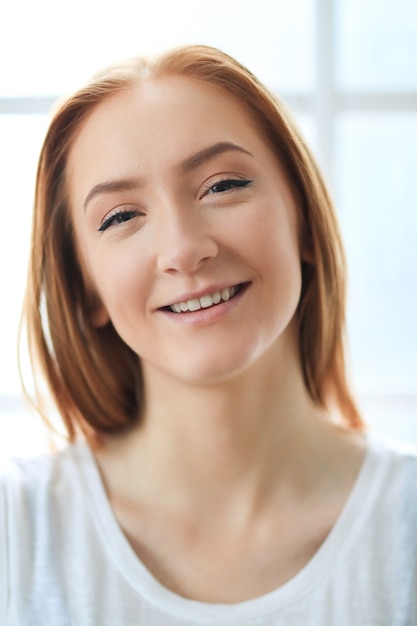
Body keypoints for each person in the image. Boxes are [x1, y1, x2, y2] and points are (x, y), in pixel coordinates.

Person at [1, 45, 416, 625]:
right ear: (86, 287)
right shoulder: (15, 534)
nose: (183, 249)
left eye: (222, 186)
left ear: (301, 217)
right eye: (121, 217)